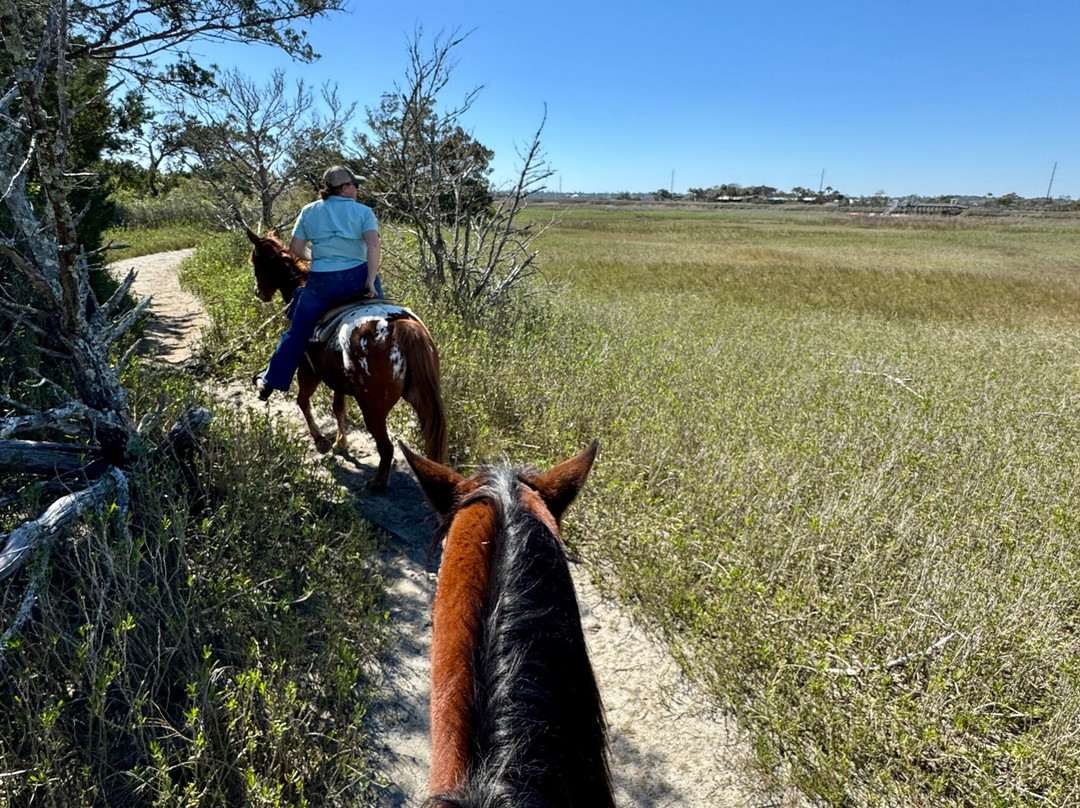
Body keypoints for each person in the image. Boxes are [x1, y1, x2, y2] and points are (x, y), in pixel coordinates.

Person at [256, 165, 384, 401]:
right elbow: (374, 247)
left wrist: (322, 258)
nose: (357, 189)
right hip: (358, 277)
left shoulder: (309, 211)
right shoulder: (364, 212)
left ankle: (270, 380)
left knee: (297, 331)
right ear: (344, 187)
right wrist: (370, 283)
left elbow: (295, 249)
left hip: (323, 283)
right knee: (385, 319)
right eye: (354, 185)